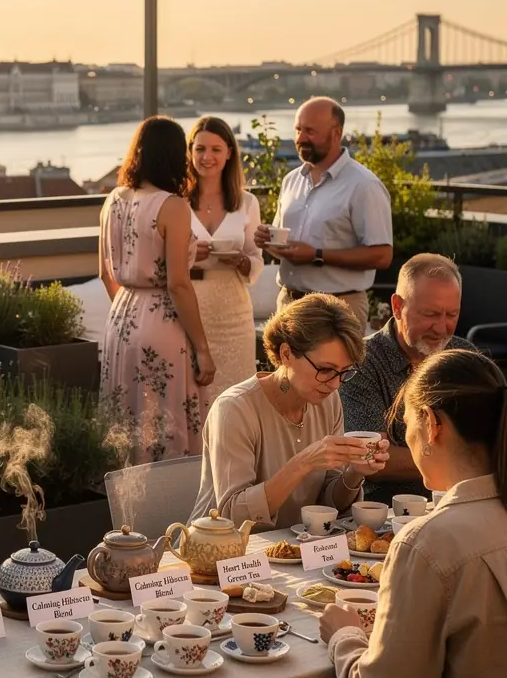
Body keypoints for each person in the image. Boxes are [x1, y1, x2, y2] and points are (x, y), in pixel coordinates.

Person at [321, 349, 507, 678]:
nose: (406, 436)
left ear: (432, 423)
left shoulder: (430, 543)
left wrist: (343, 638)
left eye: (405, 423)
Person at [188, 294, 389, 530]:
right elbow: (232, 516)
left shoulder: (328, 401)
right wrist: (303, 462)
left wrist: (355, 472)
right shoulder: (235, 409)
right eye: (325, 369)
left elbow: (328, 505)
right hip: (219, 548)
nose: (335, 384)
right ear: (286, 354)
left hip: (297, 546)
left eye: (344, 372)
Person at [99, 115, 215, 464]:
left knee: (128, 416)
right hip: (162, 321)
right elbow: (178, 283)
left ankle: (125, 493)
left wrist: (131, 314)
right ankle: (168, 495)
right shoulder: (172, 206)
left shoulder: (113, 199)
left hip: (121, 318)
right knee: (165, 419)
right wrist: (203, 349)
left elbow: (105, 273)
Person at [341, 253, 476, 501]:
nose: (441, 328)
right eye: (430, 314)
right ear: (397, 307)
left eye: (451, 315)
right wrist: (466, 459)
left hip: (462, 502)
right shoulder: (361, 361)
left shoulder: (465, 356)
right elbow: (371, 458)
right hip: (385, 512)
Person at [253, 97, 393, 330]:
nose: (300, 138)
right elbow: (286, 247)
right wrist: (267, 241)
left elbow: (382, 256)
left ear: (336, 133)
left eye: (310, 131)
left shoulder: (364, 185)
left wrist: (317, 255)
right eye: (298, 129)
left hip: (337, 310)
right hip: (288, 303)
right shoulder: (291, 180)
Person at [186, 115, 263, 406]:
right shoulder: (176, 201)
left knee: (237, 397)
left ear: (229, 153)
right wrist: (188, 255)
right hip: (188, 308)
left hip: (234, 312)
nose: (207, 157)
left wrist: (241, 261)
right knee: (192, 397)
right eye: (200, 149)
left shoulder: (247, 202)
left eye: (216, 149)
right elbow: (160, 259)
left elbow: (256, 259)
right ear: (190, 152)